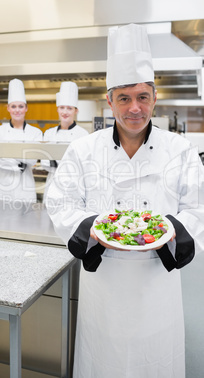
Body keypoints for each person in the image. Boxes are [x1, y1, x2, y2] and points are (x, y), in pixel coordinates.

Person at [46, 24, 204, 378]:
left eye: (143, 97)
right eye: (124, 98)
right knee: (103, 365)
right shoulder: (84, 149)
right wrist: (92, 228)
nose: (135, 108)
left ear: (155, 97)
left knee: (156, 365)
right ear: (109, 100)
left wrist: (172, 231)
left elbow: (200, 208)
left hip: (157, 290)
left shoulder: (180, 150)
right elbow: (59, 202)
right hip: (104, 291)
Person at [0, 78, 43, 204]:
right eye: (13, 106)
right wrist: (20, 157)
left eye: (20, 106)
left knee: (25, 220)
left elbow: (32, 159)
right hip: (3, 183)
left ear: (26, 108)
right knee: (0, 221)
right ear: (8, 108)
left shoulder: (35, 133)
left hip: (24, 183)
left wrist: (8, 156)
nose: (17, 110)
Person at [41, 81, 88, 203]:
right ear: (57, 109)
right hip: (52, 182)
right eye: (62, 108)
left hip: (73, 186)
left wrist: (56, 162)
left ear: (76, 111)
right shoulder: (49, 133)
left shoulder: (83, 134)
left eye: (69, 108)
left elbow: (83, 164)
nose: (65, 112)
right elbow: (44, 161)